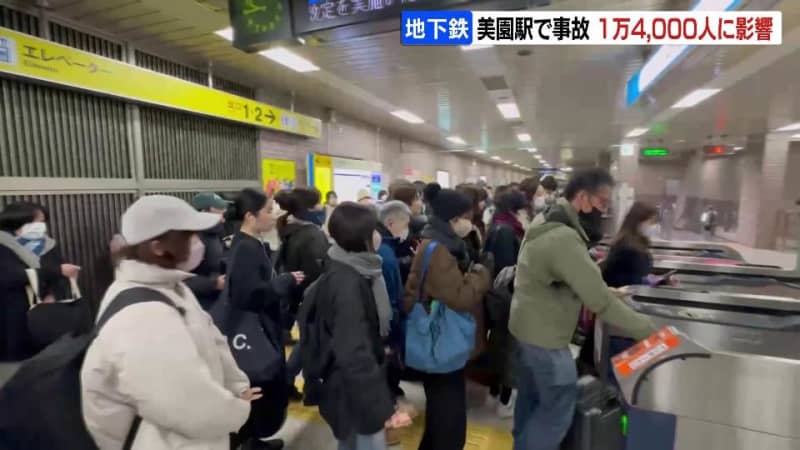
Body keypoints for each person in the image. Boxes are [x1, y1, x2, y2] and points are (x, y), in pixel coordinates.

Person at [80, 195, 259, 450]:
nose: (198, 244)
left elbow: (211, 339)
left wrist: (235, 387)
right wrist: (237, 409)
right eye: (189, 236)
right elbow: (186, 403)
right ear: (157, 247)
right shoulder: (143, 317)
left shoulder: (168, 286)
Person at [509, 168, 657, 450]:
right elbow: (599, 302)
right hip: (546, 338)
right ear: (582, 197)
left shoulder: (547, 218)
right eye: (602, 202)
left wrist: (607, 290)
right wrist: (649, 330)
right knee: (557, 410)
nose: (604, 210)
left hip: (525, 328)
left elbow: (560, 276)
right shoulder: (563, 238)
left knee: (530, 400)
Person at [312, 202, 409, 450]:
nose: (378, 235)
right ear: (362, 237)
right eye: (373, 230)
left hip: (349, 385)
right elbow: (353, 351)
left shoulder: (346, 266)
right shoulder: (348, 284)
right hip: (355, 391)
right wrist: (382, 407)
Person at [403, 185, 492, 450]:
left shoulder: (444, 243)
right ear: (452, 218)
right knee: (447, 415)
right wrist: (481, 272)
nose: (469, 222)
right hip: (441, 342)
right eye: (465, 217)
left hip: (441, 339)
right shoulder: (439, 251)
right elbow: (461, 297)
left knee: (441, 410)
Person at [226, 189, 304, 450]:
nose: (274, 216)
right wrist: (283, 282)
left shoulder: (250, 242)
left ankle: (253, 439)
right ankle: (249, 441)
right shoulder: (246, 249)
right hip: (255, 330)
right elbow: (248, 295)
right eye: (268, 211)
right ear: (250, 216)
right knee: (259, 386)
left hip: (262, 326)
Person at [275, 187, 331, 401]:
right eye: (317, 204)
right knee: (311, 344)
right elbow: (318, 273)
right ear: (307, 209)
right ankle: (308, 388)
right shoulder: (312, 236)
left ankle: (290, 382)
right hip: (312, 299)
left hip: (297, 298)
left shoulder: (291, 229)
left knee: (307, 342)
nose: (321, 208)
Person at [483, 190, 527, 418]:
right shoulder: (507, 229)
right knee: (509, 347)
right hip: (507, 295)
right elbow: (507, 265)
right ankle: (504, 397)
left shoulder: (497, 223)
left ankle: (495, 389)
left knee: (500, 343)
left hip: (498, 294)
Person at [0, 203, 61, 361]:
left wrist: (52, 293)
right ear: (18, 221)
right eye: (36, 222)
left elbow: (59, 272)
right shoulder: (3, 245)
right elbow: (9, 277)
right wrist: (47, 273)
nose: (41, 227)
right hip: (13, 310)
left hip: (46, 308)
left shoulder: (47, 244)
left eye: (43, 222)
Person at [376, 201, 412, 399]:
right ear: (390, 223)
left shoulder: (384, 245)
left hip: (384, 317)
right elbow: (390, 293)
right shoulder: (385, 253)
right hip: (388, 318)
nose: (406, 229)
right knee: (389, 359)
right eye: (404, 224)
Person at [184, 192, 229, 311]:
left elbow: (215, 262)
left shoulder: (214, 234)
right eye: (219, 215)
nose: (223, 220)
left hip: (217, 302)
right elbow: (180, 280)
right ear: (203, 213)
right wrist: (214, 284)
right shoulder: (190, 240)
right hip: (198, 305)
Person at [602, 202, 660, 288]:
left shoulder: (640, 242)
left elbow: (639, 272)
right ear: (638, 221)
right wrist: (642, 280)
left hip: (638, 292)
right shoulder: (623, 244)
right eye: (650, 222)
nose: (653, 226)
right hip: (624, 296)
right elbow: (611, 277)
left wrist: (661, 280)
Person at [388, 181, 426, 283]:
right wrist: (411, 259)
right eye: (417, 199)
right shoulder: (394, 227)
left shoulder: (415, 225)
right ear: (406, 203)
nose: (421, 203)